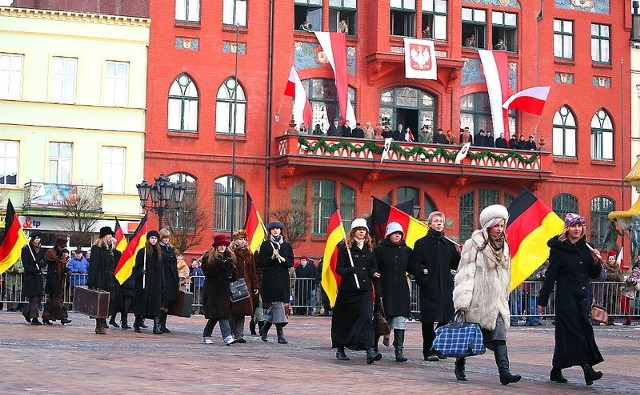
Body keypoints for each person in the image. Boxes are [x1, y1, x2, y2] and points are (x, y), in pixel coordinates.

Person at [453, 205, 521, 385]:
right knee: (468, 337)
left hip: (496, 301)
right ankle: (459, 364)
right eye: (496, 225)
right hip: (476, 299)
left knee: (499, 335)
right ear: (488, 225)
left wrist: (504, 295)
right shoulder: (473, 244)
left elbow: (507, 273)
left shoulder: (505, 245)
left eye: (502, 225)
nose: (500, 228)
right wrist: (463, 300)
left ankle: (504, 372)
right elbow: (466, 272)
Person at [538, 213, 604, 385]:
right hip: (566, 299)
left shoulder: (587, 247)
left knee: (579, 334)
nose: (577, 229)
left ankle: (556, 369)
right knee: (576, 334)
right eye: (573, 226)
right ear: (567, 228)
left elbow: (593, 274)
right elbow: (550, 275)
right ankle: (587, 369)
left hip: (583, 298)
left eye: (579, 226)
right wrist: (542, 300)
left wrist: (596, 262)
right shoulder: (559, 249)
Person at [410, 211, 461, 361]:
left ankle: (437, 347)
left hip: (445, 286)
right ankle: (428, 351)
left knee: (446, 318)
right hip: (429, 287)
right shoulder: (421, 243)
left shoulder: (449, 244)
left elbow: (455, 264)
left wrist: (460, 254)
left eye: (441, 221)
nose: (439, 223)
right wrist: (423, 274)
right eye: (436, 221)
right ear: (430, 224)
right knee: (428, 320)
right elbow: (415, 264)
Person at [331, 218, 381, 364]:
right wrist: (350, 270)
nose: (361, 232)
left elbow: (373, 266)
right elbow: (338, 269)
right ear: (353, 231)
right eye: (359, 229)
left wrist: (374, 272)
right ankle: (340, 348)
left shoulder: (370, 248)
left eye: (363, 230)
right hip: (348, 290)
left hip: (364, 290)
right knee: (345, 320)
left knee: (366, 318)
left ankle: (370, 350)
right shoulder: (345, 247)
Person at [375, 222, 412, 362]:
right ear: (389, 234)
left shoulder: (406, 250)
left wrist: (423, 270)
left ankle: (399, 350)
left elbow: (413, 266)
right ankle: (374, 347)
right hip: (385, 288)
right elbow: (374, 267)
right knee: (383, 320)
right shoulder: (380, 249)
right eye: (395, 233)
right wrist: (374, 274)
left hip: (401, 290)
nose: (397, 235)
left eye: (400, 233)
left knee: (400, 320)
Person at [257, 221, 294, 344]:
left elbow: (291, 262)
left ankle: (265, 329)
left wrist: (283, 260)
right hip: (270, 281)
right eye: (273, 229)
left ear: (281, 231)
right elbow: (261, 263)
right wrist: (271, 258)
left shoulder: (286, 246)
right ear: (270, 231)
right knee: (277, 305)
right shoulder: (266, 245)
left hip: (283, 280)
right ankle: (280, 335)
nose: (275, 231)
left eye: (278, 229)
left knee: (276, 307)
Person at [202, 234, 238, 345]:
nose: (222, 247)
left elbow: (234, 274)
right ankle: (227, 336)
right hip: (213, 290)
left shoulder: (230, 256)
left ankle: (206, 334)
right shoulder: (209, 257)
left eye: (224, 245)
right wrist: (220, 264)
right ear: (216, 246)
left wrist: (230, 271)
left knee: (218, 315)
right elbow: (208, 272)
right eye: (220, 245)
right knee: (221, 314)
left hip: (225, 290)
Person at [229, 230, 260, 343]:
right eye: (241, 239)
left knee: (242, 311)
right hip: (235, 284)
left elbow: (253, 271)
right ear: (235, 241)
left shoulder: (249, 254)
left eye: (244, 239)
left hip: (246, 285)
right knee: (234, 311)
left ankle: (239, 334)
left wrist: (255, 285)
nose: (243, 241)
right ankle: (230, 332)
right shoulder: (230, 252)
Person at [89, 226, 122, 334]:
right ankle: (99, 324)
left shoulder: (110, 249)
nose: (111, 237)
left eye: (111, 235)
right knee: (101, 302)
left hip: (109, 279)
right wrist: (92, 281)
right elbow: (93, 265)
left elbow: (117, 258)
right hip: (100, 278)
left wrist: (114, 246)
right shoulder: (96, 248)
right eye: (109, 235)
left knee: (109, 302)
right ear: (104, 236)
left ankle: (104, 320)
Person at [132, 230, 165, 335]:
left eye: (155, 238)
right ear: (148, 239)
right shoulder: (143, 252)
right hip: (145, 282)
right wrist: (141, 271)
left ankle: (156, 327)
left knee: (156, 304)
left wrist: (163, 283)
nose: (153, 240)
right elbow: (137, 266)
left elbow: (161, 269)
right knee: (142, 303)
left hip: (156, 283)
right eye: (152, 238)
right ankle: (137, 323)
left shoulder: (159, 252)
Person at [42, 236, 72, 325]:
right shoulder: (50, 253)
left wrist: (67, 270)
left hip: (59, 280)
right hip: (52, 280)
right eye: (61, 247)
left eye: (64, 247)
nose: (62, 249)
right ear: (57, 245)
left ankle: (46, 317)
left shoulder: (62, 255)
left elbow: (63, 266)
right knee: (57, 300)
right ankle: (63, 317)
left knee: (51, 301)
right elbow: (48, 263)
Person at [21, 231, 45, 325]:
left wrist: (41, 263)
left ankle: (27, 312)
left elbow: (44, 261)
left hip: (38, 277)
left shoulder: (40, 250)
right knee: (34, 298)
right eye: (36, 238)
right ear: (32, 239)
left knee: (38, 297)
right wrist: (34, 269)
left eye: (39, 238)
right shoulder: (26, 249)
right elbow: (26, 265)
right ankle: (34, 318)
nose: (38, 240)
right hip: (30, 278)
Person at [158, 228, 180, 334]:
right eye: (164, 238)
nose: (166, 240)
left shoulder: (170, 249)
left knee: (168, 301)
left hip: (171, 277)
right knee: (162, 300)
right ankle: (158, 323)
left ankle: (163, 324)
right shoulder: (159, 248)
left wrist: (176, 277)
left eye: (167, 238)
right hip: (163, 276)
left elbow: (174, 264)